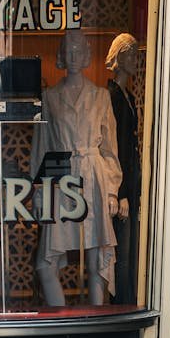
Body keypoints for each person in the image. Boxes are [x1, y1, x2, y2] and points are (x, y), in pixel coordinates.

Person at [34, 30, 123, 306]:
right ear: (62, 55)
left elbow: (109, 149)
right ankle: (61, 318)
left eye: (78, 51)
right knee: (45, 262)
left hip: (94, 175)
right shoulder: (49, 98)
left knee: (97, 256)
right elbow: (42, 147)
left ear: (86, 55)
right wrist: (39, 192)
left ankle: (97, 317)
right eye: (68, 51)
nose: (73, 57)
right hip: (61, 177)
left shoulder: (100, 97)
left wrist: (111, 191)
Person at [106, 33, 141, 305]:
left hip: (132, 184)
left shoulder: (128, 95)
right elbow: (116, 148)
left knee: (130, 253)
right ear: (119, 58)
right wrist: (121, 192)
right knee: (122, 252)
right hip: (122, 189)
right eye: (131, 55)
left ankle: (128, 301)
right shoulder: (112, 97)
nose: (136, 60)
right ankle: (121, 306)